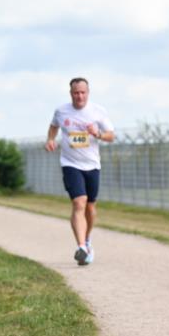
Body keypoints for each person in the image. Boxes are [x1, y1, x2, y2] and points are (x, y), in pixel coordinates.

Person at [45, 77, 115, 265]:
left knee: (90, 207)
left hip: (92, 165)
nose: (79, 96)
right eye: (76, 93)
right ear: (71, 93)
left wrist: (97, 133)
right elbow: (53, 127)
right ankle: (81, 247)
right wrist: (51, 139)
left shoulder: (98, 111)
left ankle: (87, 239)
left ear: (88, 93)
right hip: (70, 163)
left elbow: (111, 136)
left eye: (83, 92)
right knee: (79, 202)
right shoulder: (61, 111)